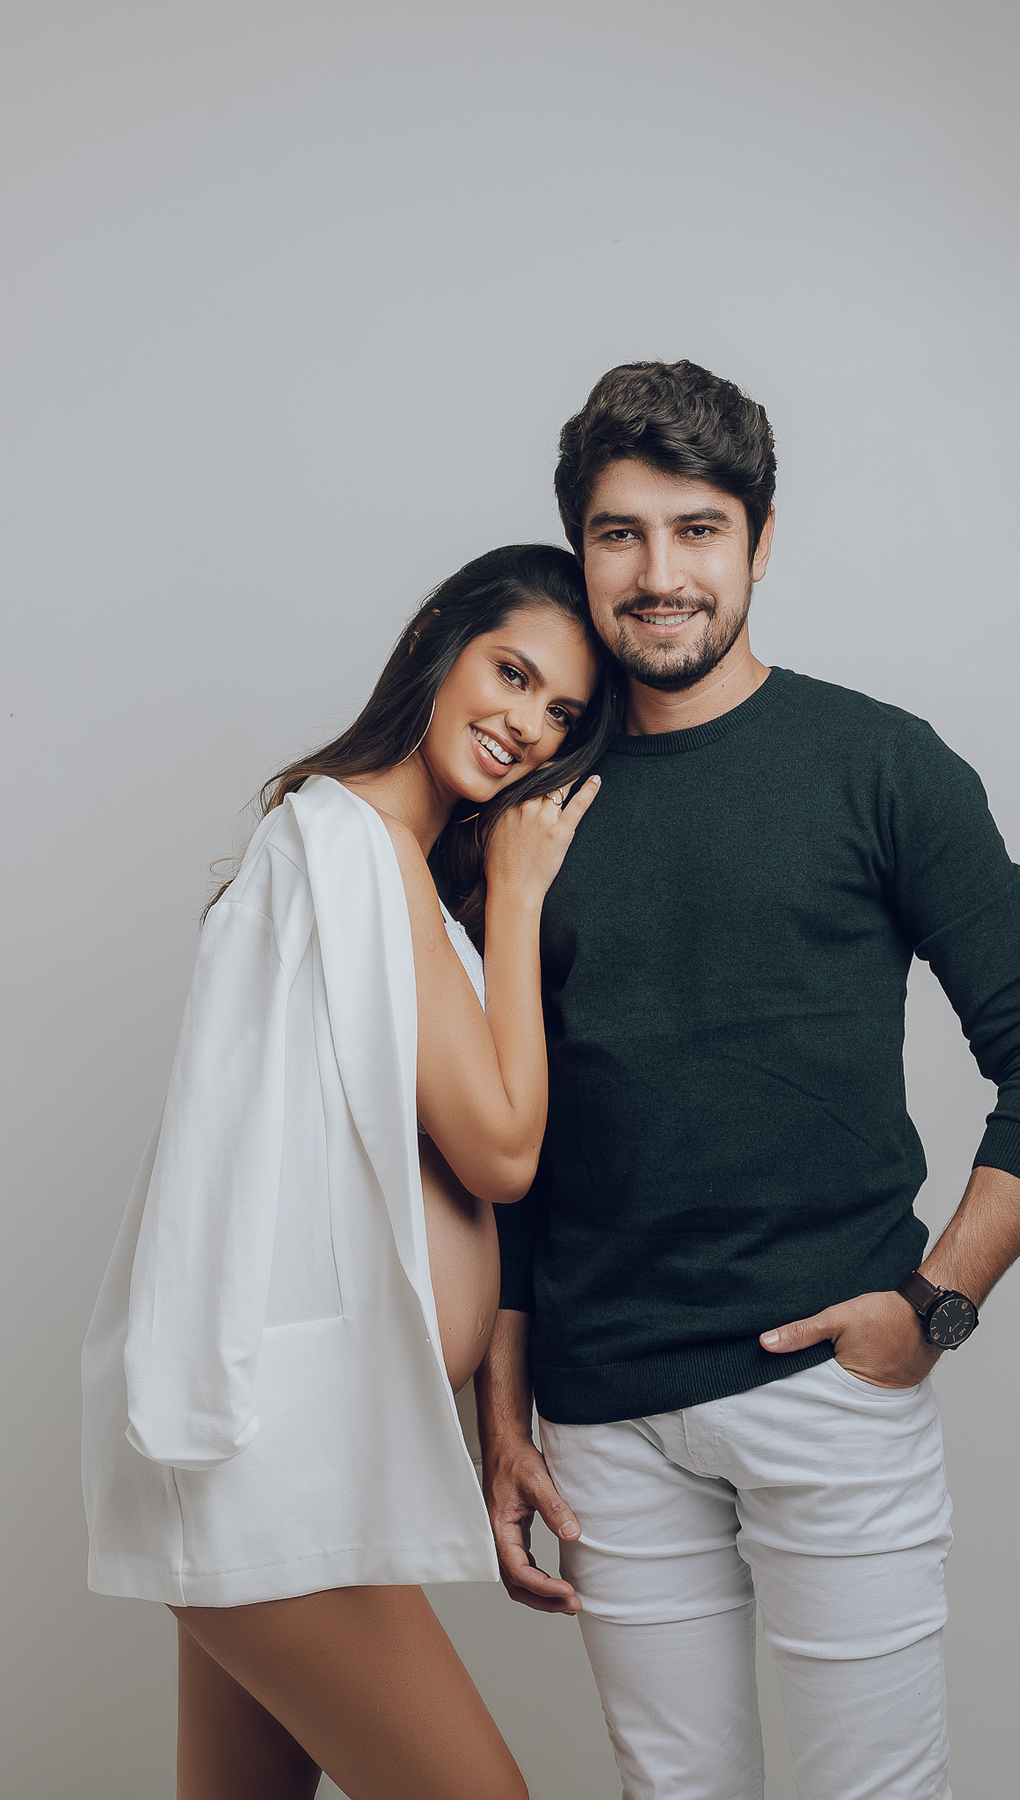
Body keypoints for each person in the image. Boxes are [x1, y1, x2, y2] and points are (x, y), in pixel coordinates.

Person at [475, 364, 1020, 1800]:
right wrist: (501, 1413)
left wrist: (935, 1303)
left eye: (698, 530)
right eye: (621, 533)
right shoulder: (528, 807)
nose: (660, 574)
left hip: (832, 1385)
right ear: (580, 550)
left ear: (761, 543)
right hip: (602, 1415)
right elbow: (511, 1142)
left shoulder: (881, 766)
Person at [81, 543, 620, 1800]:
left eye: (561, 715)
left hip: (298, 1454)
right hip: (269, 1458)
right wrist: (520, 897)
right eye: (512, 673)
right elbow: (502, 1149)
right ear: (437, 637)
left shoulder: (378, 867)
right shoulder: (355, 848)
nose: (527, 727)